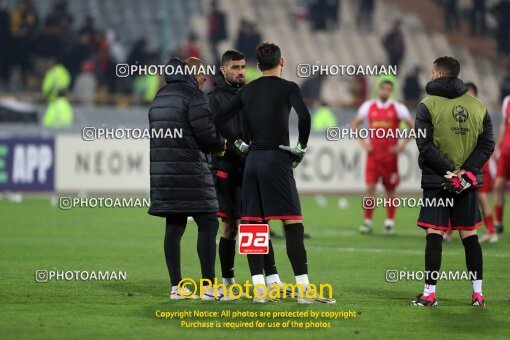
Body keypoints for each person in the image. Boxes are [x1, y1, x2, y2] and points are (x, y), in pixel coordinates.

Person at [215, 42, 335, 304]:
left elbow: (220, 119)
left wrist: (237, 143)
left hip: (252, 161)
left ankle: (260, 291)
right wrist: (301, 147)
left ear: (258, 67)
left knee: (253, 225)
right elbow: (304, 117)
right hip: (277, 159)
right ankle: (304, 291)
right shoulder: (289, 88)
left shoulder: (248, 91)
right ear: (282, 62)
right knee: (293, 224)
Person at [412, 57, 494, 307]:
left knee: (434, 234)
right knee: (470, 236)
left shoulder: (427, 105)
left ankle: (429, 295)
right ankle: (478, 295)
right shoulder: (478, 106)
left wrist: (450, 172)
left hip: (438, 181)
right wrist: (466, 173)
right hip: (467, 183)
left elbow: (424, 145)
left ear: (436, 74)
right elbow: (487, 144)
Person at [209, 49, 290, 298]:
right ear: (223, 70)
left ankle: (273, 279)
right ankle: (228, 279)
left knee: (258, 223)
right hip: (226, 169)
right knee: (231, 227)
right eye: (235, 67)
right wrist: (229, 147)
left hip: (251, 167)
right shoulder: (214, 99)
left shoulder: (250, 93)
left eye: (243, 67)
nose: (241, 71)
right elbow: (211, 132)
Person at [148, 57, 225, 301]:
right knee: (209, 223)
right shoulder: (194, 97)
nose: (205, 79)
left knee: (174, 225)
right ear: (192, 74)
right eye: (202, 74)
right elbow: (207, 136)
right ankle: (209, 287)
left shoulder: (159, 97)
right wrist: (221, 143)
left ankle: (176, 287)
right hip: (191, 171)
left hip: (164, 173)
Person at [352, 80, 414, 235]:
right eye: (383, 88)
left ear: (391, 91)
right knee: (370, 188)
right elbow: (354, 126)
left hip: (390, 157)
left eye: (388, 89)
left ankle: (389, 222)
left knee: (391, 189)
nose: (385, 91)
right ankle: (367, 221)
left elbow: (413, 128)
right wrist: (364, 144)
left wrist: (401, 146)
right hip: (373, 156)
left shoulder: (398, 108)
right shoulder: (368, 106)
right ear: (378, 89)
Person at [465, 82, 498, 243]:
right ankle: (449, 231)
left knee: (482, 197)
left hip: (477, 163)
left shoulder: (479, 113)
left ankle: (491, 230)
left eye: (470, 93)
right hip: (466, 162)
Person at [493, 93, 510, 235]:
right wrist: (497, 146)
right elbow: (503, 126)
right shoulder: (507, 101)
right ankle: (498, 222)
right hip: (505, 151)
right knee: (498, 185)